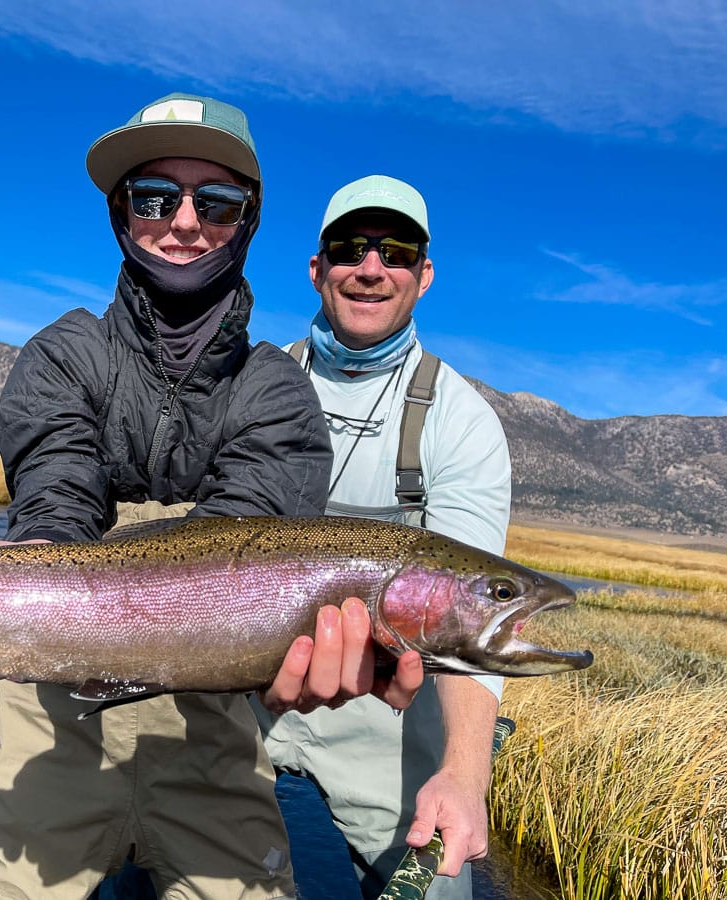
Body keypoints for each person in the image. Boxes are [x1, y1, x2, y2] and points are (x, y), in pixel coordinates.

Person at [0, 97, 424, 900]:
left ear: (248, 222)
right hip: (48, 719)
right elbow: (55, 505)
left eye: (215, 202)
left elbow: (241, 553)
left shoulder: (279, 391)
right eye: (156, 196)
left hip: (212, 734)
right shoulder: (62, 356)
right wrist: (6, 577)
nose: (185, 221)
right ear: (122, 214)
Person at [252, 174, 512, 899]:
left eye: (395, 251)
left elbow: (469, 623)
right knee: (159, 860)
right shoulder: (253, 382)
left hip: (388, 716)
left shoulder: (460, 421)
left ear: (423, 276)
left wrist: (463, 775)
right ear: (317, 269)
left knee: (437, 889)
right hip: (246, 687)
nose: (371, 268)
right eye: (349, 249)